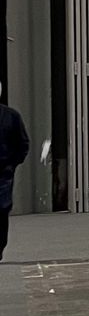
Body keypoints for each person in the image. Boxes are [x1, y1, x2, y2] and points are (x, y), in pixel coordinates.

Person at [0, 92, 27, 261]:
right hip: (6, 170)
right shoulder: (11, 115)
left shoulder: (11, 116)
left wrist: (12, 164)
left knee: (2, 210)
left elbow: (22, 143)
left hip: (3, 172)